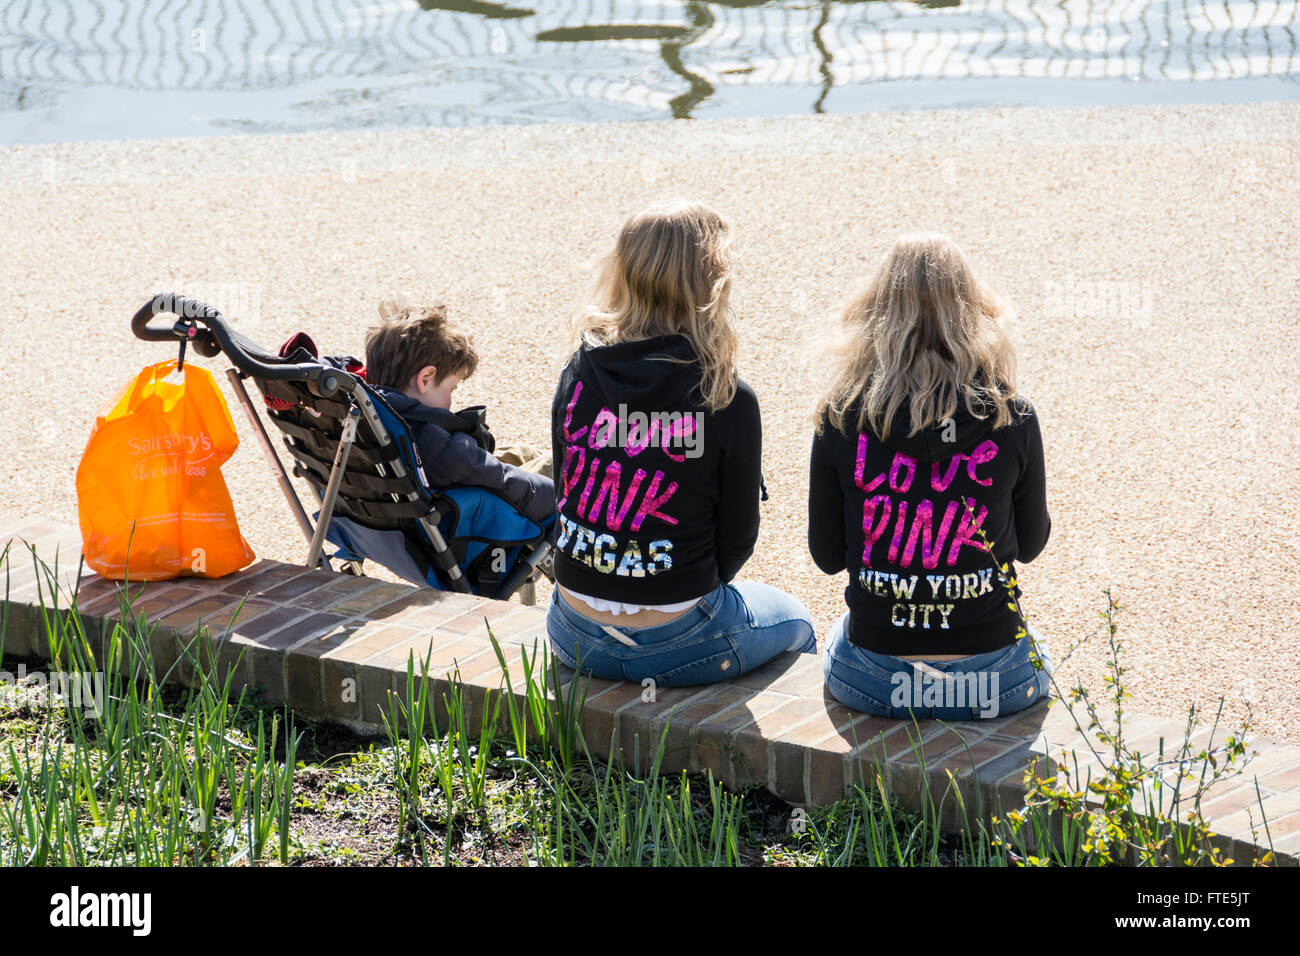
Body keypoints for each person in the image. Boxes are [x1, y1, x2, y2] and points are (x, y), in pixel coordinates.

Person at [547, 200, 816, 687]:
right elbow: (737, 538)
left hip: (574, 631)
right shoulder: (725, 394)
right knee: (798, 621)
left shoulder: (579, 371)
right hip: (681, 640)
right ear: (711, 285)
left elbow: (565, 489)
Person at [808, 233, 1052, 721]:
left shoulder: (841, 418)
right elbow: (1030, 544)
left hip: (875, 678)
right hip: (994, 679)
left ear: (876, 314)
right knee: (1042, 648)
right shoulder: (1010, 416)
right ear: (973, 312)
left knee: (812, 627)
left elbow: (828, 557)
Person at [363, 301, 555, 525]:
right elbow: (505, 481)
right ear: (425, 379)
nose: (451, 400)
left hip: (396, 513)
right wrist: (561, 499)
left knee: (523, 452)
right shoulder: (444, 452)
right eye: (450, 388)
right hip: (475, 519)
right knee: (557, 464)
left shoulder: (367, 419)